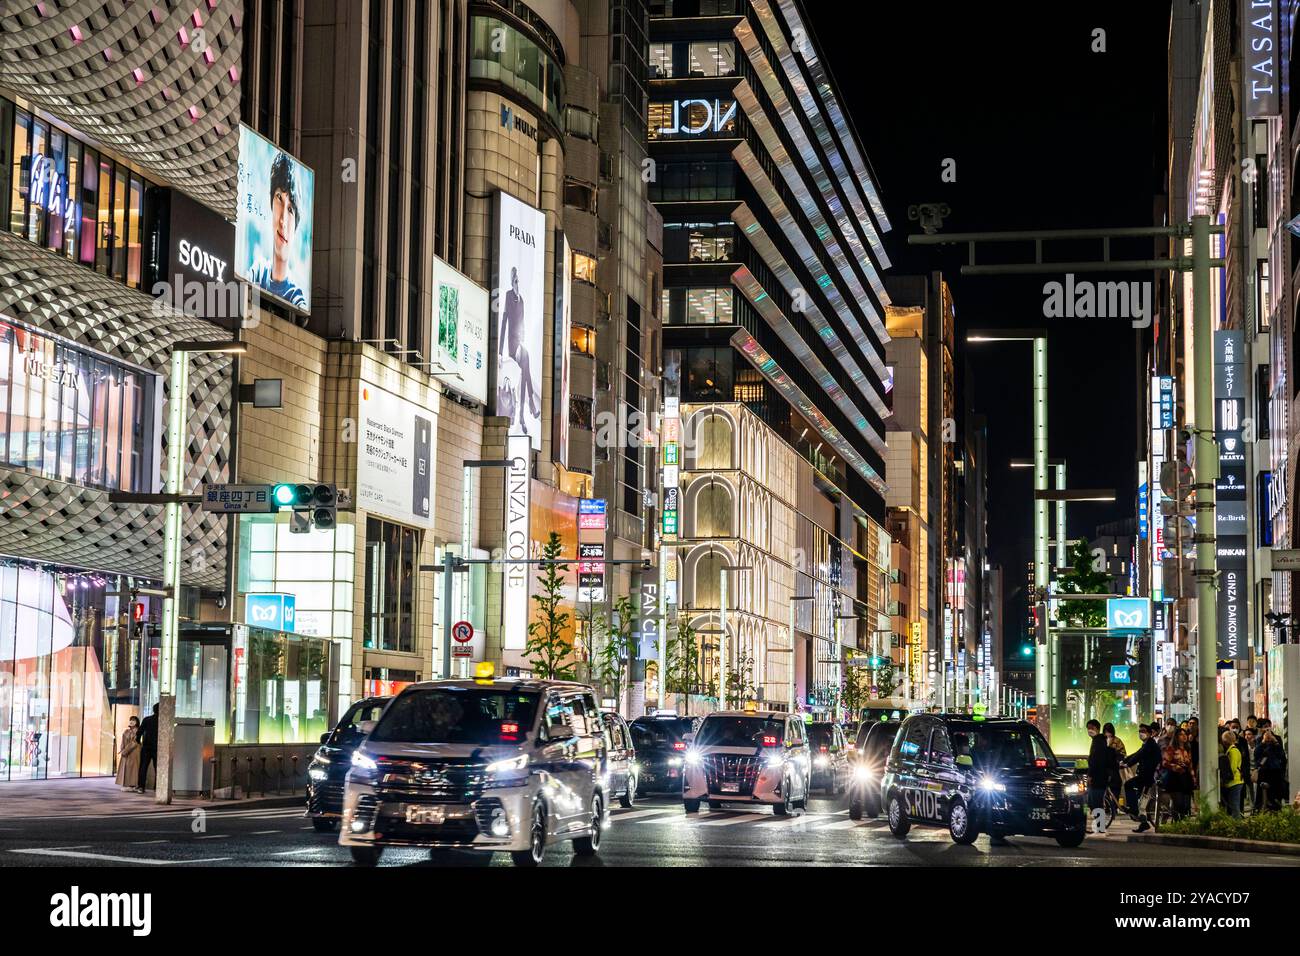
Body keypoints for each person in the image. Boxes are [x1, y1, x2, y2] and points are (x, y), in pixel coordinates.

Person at [247, 152, 308, 309]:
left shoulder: (297, 298)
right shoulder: (257, 271)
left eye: (290, 209)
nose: (283, 220)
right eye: (279, 198)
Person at [496, 265, 541, 441]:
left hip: (520, 341)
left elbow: (523, 323)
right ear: (511, 280)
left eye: (518, 280)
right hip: (512, 343)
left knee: (525, 369)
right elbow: (504, 322)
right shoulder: (508, 296)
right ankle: (529, 405)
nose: (517, 282)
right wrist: (500, 351)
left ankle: (524, 411)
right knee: (525, 363)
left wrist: (524, 339)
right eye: (514, 279)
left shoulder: (522, 299)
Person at [1122, 723, 1163, 832]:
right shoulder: (1146, 744)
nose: (1141, 733)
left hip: (1147, 776)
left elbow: (1139, 755)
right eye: (1140, 731)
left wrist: (1128, 764)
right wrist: (1125, 760)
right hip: (1144, 775)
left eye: (1144, 731)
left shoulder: (1150, 745)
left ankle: (1133, 809)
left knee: (1128, 785)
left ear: (1150, 733)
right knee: (1141, 801)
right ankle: (1143, 822)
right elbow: (1137, 753)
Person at [1161, 728, 1195, 820]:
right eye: (1181, 734)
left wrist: (1193, 777)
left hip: (1186, 777)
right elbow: (1165, 763)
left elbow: (1190, 765)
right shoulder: (1171, 749)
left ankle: (1182, 821)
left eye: (1185, 734)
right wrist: (1175, 766)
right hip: (1175, 778)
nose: (1184, 736)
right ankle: (1176, 821)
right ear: (1176, 737)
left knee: (1185, 804)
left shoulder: (1187, 749)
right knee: (1178, 802)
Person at [1085, 719, 1113, 831]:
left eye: (1092, 728)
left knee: (1095, 802)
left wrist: (1090, 775)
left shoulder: (1098, 742)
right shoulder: (1099, 740)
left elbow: (1096, 761)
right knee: (1094, 801)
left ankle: (1100, 826)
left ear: (1097, 729)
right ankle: (1099, 825)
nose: (1090, 730)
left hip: (1098, 777)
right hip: (1100, 776)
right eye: (1088, 728)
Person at [1254, 729, 1286, 811]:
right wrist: (1263, 742)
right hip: (1263, 770)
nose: (1268, 736)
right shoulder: (1259, 740)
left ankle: (1275, 809)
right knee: (1261, 793)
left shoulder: (1277, 739)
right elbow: (1256, 754)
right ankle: (1260, 810)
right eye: (1266, 734)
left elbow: (1281, 755)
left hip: (1275, 770)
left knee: (1275, 793)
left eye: (1270, 735)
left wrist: (1275, 742)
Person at [136, 703, 159, 793]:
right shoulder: (163, 721)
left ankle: (141, 787)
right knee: (158, 768)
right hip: (158, 748)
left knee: (143, 767)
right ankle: (157, 787)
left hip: (146, 747)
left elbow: (139, 732)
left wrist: (139, 742)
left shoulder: (147, 719)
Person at [1221, 730, 1244, 818]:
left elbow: (1233, 767)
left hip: (1235, 781)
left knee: (1234, 805)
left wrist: (1226, 777)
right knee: (1233, 804)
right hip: (1236, 781)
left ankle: (1237, 823)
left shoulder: (1233, 751)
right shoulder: (1233, 750)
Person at [1104, 722, 1128, 807]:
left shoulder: (1117, 741)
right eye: (1106, 731)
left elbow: (1123, 754)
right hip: (1104, 769)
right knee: (1105, 788)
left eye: (1109, 731)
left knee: (1116, 787)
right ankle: (1107, 806)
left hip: (1115, 769)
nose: (1107, 733)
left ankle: (1114, 806)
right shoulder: (1101, 741)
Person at [114, 716, 141, 790]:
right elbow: (123, 742)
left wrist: (125, 751)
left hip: (134, 752)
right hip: (126, 752)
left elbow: (135, 742)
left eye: (133, 720)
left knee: (132, 768)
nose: (131, 721)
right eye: (130, 720)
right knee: (125, 768)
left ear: (137, 722)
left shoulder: (138, 731)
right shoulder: (126, 731)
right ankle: (126, 784)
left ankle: (132, 785)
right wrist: (122, 750)